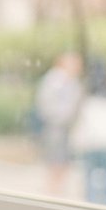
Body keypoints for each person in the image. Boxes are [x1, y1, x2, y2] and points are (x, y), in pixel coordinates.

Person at [70, 58, 106, 206]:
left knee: (89, 180)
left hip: (91, 143)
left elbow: (79, 120)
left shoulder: (86, 97)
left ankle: (90, 208)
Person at [35, 52, 83, 197]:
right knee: (55, 159)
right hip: (55, 125)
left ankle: (58, 190)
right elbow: (45, 104)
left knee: (64, 160)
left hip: (66, 126)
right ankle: (52, 191)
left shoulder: (72, 81)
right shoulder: (54, 80)